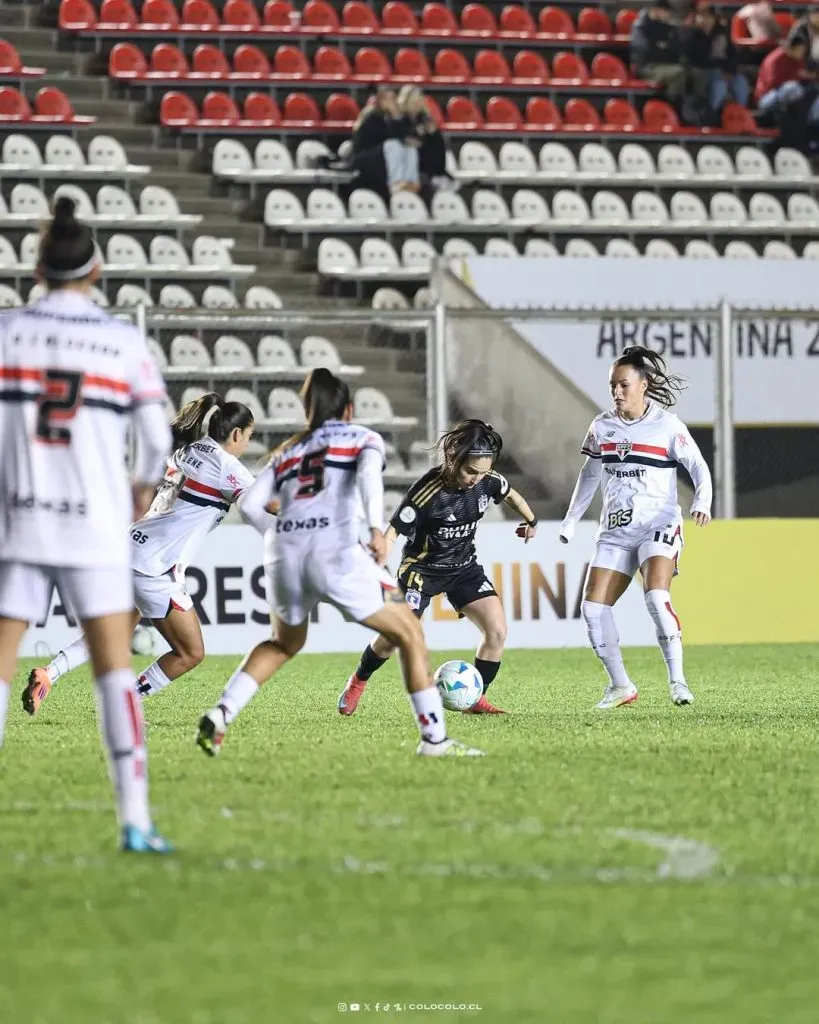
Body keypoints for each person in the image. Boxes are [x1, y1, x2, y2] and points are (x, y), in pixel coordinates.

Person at [0, 196, 173, 853]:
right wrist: (137, 490)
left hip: (16, 518)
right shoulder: (121, 341)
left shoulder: (7, 330)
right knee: (112, 672)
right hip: (94, 526)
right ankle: (134, 821)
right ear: (96, 270)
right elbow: (156, 443)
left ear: (37, 269)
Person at [196, 369, 483, 759]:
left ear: (307, 410)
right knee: (410, 634)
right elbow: (367, 476)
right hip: (337, 552)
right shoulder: (362, 437)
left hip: (283, 552)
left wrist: (280, 534)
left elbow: (248, 504)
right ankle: (434, 741)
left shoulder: (289, 451)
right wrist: (376, 530)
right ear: (349, 409)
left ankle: (223, 710)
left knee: (282, 643)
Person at [24, 391, 268, 711]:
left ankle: (48, 673)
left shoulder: (186, 450)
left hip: (129, 549)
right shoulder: (226, 467)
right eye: (248, 437)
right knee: (190, 653)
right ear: (236, 434)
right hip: (155, 567)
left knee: (113, 634)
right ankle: (128, 704)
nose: (246, 444)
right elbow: (259, 503)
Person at [337, 420, 538, 717]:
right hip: (421, 571)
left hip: (464, 568)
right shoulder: (427, 492)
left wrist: (530, 522)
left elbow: (511, 495)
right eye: (471, 471)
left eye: (483, 472)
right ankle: (358, 681)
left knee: (496, 632)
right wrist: (378, 559)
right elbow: (393, 531)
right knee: (395, 637)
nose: (476, 479)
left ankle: (474, 699)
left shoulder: (488, 480)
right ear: (454, 459)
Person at [559, 347, 712, 710]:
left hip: (658, 524)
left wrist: (702, 501)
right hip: (615, 530)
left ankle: (678, 681)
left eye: (624, 384)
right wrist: (571, 519)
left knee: (656, 597)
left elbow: (699, 467)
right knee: (593, 609)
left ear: (643, 385)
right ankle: (620, 687)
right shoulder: (601, 426)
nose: (617, 391)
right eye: (613, 385)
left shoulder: (668, 426)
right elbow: (590, 474)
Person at [631, 0, 710, 124]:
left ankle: (696, 112)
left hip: (667, 64)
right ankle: (673, 107)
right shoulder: (641, 27)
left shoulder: (666, 27)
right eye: (664, 12)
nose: (666, 15)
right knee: (678, 73)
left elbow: (677, 48)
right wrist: (665, 50)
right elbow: (646, 52)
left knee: (696, 74)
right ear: (655, 11)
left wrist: (684, 32)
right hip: (648, 67)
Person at [351, 86, 420, 198]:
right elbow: (387, 136)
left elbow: (406, 133)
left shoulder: (397, 117)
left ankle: (411, 181)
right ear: (380, 100)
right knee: (392, 144)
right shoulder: (372, 116)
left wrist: (396, 117)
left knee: (410, 147)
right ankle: (396, 182)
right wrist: (394, 116)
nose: (391, 102)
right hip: (367, 158)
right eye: (387, 98)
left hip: (384, 158)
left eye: (393, 98)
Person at [687, 3, 750, 117]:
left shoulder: (722, 34)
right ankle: (712, 115)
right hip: (702, 70)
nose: (705, 20)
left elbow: (732, 55)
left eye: (708, 17)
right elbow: (697, 58)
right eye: (701, 16)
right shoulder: (692, 34)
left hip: (723, 70)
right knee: (719, 83)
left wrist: (729, 71)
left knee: (741, 82)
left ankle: (741, 115)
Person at [397, 85, 456, 193]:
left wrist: (433, 133)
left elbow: (438, 145)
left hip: (429, 167)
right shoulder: (399, 121)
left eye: (419, 101)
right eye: (413, 101)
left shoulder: (425, 119)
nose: (417, 104)